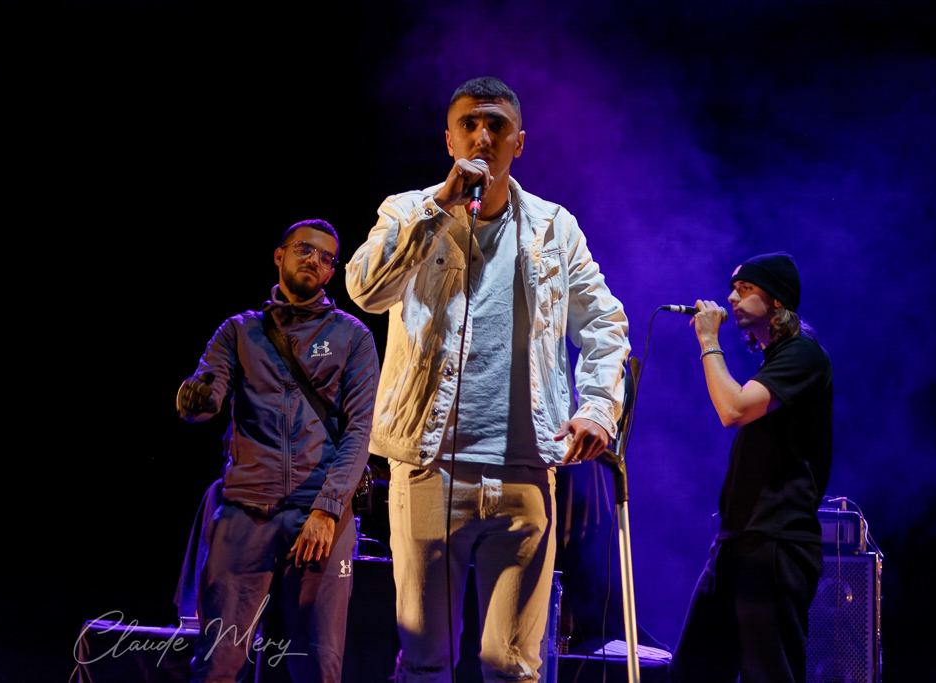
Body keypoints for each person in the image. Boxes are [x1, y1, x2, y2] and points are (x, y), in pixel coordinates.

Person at [345, 76, 630, 682]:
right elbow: (366, 290)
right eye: (469, 124)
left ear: (518, 142)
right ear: (449, 139)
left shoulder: (555, 227)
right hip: (428, 466)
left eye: (496, 125)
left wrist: (598, 409)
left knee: (514, 664)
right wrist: (437, 209)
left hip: (525, 468)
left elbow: (605, 323)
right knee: (426, 662)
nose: (482, 136)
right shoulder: (407, 210)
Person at [176, 219, 379, 683]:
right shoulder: (239, 331)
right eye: (304, 249)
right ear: (279, 255)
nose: (314, 260)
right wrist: (196, 400)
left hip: (320, 515)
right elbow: (207, 395)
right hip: (245, 512)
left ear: (331, 273)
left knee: (318, 666)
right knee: (216, 664)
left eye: (325, 257)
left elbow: (359, 432)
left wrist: (327, 510)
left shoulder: (353, 336)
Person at [668, 252, 833, 683]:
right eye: (732, 289)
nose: (731, 298)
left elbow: (734, 410)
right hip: (738, 539)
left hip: (776, 541)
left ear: (776, 300)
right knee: (693, 671)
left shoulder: (804, 355)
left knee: (769, 674)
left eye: (745, 289)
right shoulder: (776, 358)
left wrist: (709, 340)